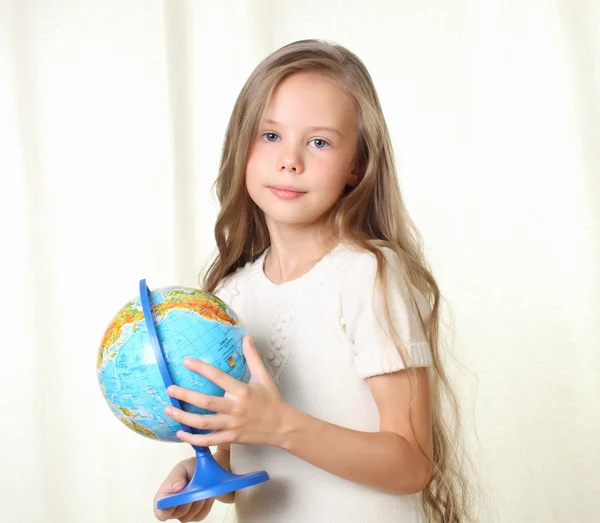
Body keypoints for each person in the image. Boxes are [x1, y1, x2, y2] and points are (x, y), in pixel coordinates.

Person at [153, 39, 473, 523]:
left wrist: (281, 426)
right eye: (271, 136)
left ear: (357, 166)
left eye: (319, 142)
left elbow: (411, 465)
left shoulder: (368, 273)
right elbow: (251, 458)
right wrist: (201, 476)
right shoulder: (228, 298)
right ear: (242, 146)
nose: (290, 160)